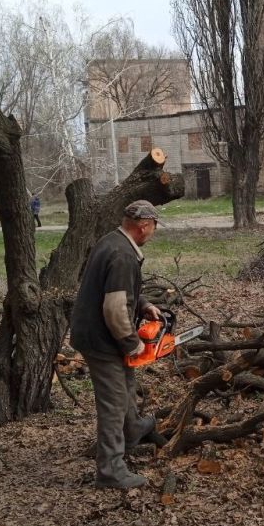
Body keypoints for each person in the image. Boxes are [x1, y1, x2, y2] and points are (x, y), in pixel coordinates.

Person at [70, 200, 162, 489]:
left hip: (99, 331)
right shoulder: (122, 254)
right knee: (112, 401)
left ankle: (132, 428)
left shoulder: (112, 241)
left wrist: (143, 304)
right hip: (101, 338)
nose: (152, 234)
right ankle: (110, 470)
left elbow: (112, 288)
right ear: (144, 225)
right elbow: (114, 309)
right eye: (153, 228)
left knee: (126, 382)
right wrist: (131, 344)